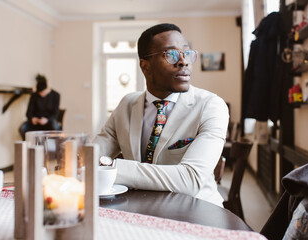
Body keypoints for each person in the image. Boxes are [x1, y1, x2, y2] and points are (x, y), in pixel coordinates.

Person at [93, 23, 229, 207]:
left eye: (187, 53)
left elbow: (190, 179)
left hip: (196, 209)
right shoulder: (127, 104)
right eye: (171, 54)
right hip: (136, 207)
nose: (183, 61)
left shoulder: (211, 106)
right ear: (145, 66)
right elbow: (94, 154)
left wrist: (112, 166)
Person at [19, 74, 61, 140]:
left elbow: (55, 114)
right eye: (39, 93)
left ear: (47, 88)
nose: (41, 94)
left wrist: (47, 120)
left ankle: (53, 148)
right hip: (36, 122)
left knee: (56, 127)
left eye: (42, 92)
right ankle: (29, 146)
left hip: (49, 121)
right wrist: (32, 118)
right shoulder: (34, 96)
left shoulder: (56, 95)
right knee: (23, 128)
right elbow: (28, 113)